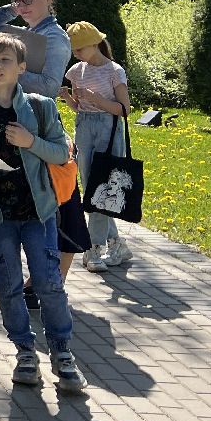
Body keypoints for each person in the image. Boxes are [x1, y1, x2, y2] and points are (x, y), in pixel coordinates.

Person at [0, 33, 88, 393]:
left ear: (22, 67)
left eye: (5, 60)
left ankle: (62, 352)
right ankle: (25, 351)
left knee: (48, 283)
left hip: (38, 212)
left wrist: (31, 142)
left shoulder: (41, 107)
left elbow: (61, 154)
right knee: (8, 285)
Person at [62, 21, 133, 272]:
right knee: (92, 189)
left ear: (95, 44)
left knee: (102, 189)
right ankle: (117, 244)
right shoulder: (76, 71)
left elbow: (125, 110)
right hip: (84, 128)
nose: (76, 54)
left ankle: (92, 249)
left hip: (108, 130)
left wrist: (96, 99)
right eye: (73, 50)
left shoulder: (114, 71)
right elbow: (79, 107)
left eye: (79, 49)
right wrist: (68, 98)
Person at [0, 0, 72, 97]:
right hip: (12, 106)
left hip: (35, 109)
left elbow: (49, 88)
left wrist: (8, 72)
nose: (22, 5)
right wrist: (12, 9)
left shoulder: (55, 37)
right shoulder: (24, 33)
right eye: (17, 0)